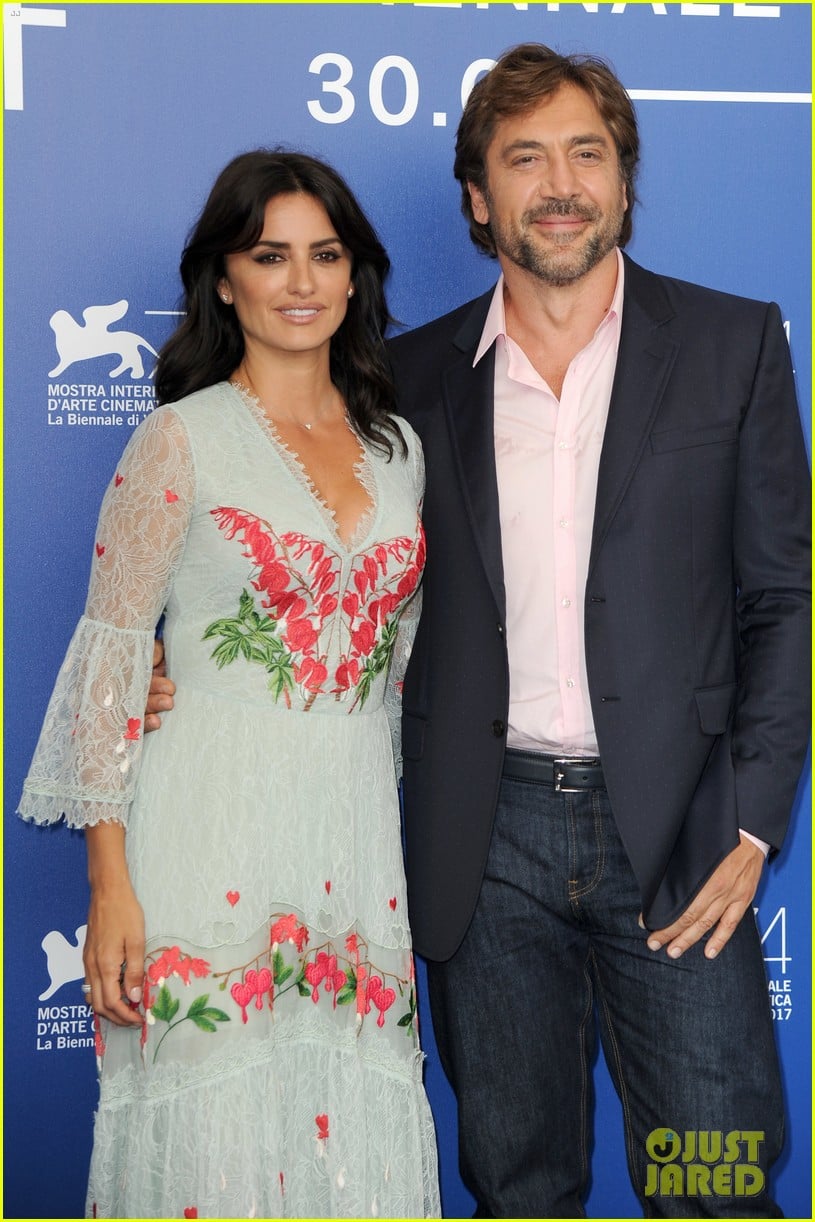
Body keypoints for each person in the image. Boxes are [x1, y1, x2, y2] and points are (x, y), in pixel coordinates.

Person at [146, 47, 810, 1218]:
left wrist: (753, 818)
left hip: (680, 832)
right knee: (516, 1185)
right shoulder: (402, 381)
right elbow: (311, 550)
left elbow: (780, 597)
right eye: (523, 159)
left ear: (619, 182)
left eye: (584, 154)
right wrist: (175, 660)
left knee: (715, 1184)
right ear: (476, 198)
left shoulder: (732, 346)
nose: (558, 184)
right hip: (477, 837)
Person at [19, 150, 439, 1220]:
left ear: (354, 277)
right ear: (223, 279)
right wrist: (109, 885)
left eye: (324, 254)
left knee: (347, 1133)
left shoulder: (399, 452)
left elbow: (396, 666)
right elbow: (112, 663)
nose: (299, 281)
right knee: (212, 1140)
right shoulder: (178, 439)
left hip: (348, 839)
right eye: (269, 255)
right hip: (205, 826)